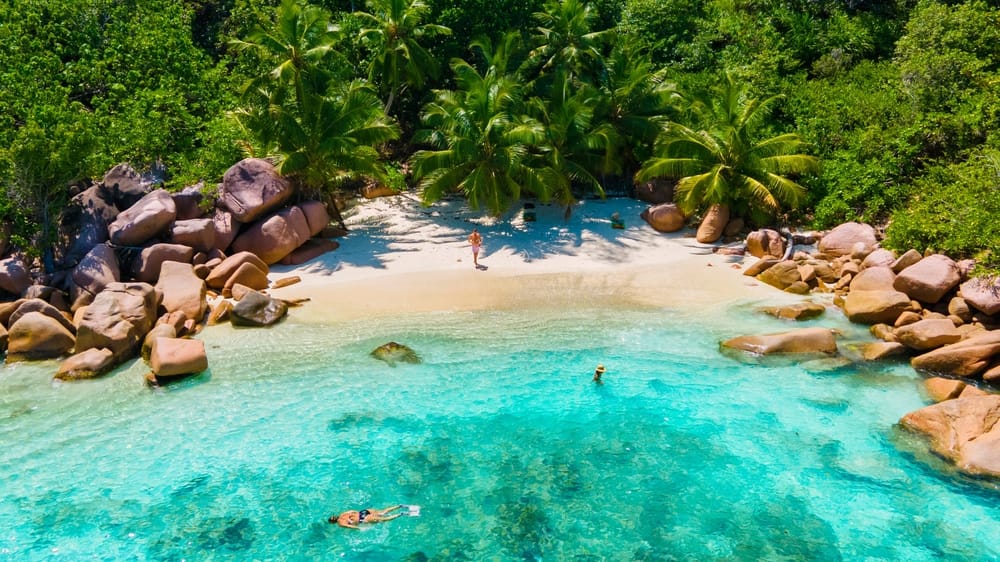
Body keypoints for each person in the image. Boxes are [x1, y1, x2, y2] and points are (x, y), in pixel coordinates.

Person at [329, 505, 404, 529]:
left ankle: (401, 514)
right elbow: (352, 511)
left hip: (363, 518)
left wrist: (360, 528)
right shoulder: (342, 514)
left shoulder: (340, 523)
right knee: (383, 512)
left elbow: (350, 526)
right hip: (363, 512)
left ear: (333, 522)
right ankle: (400, 506)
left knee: (385, 519)